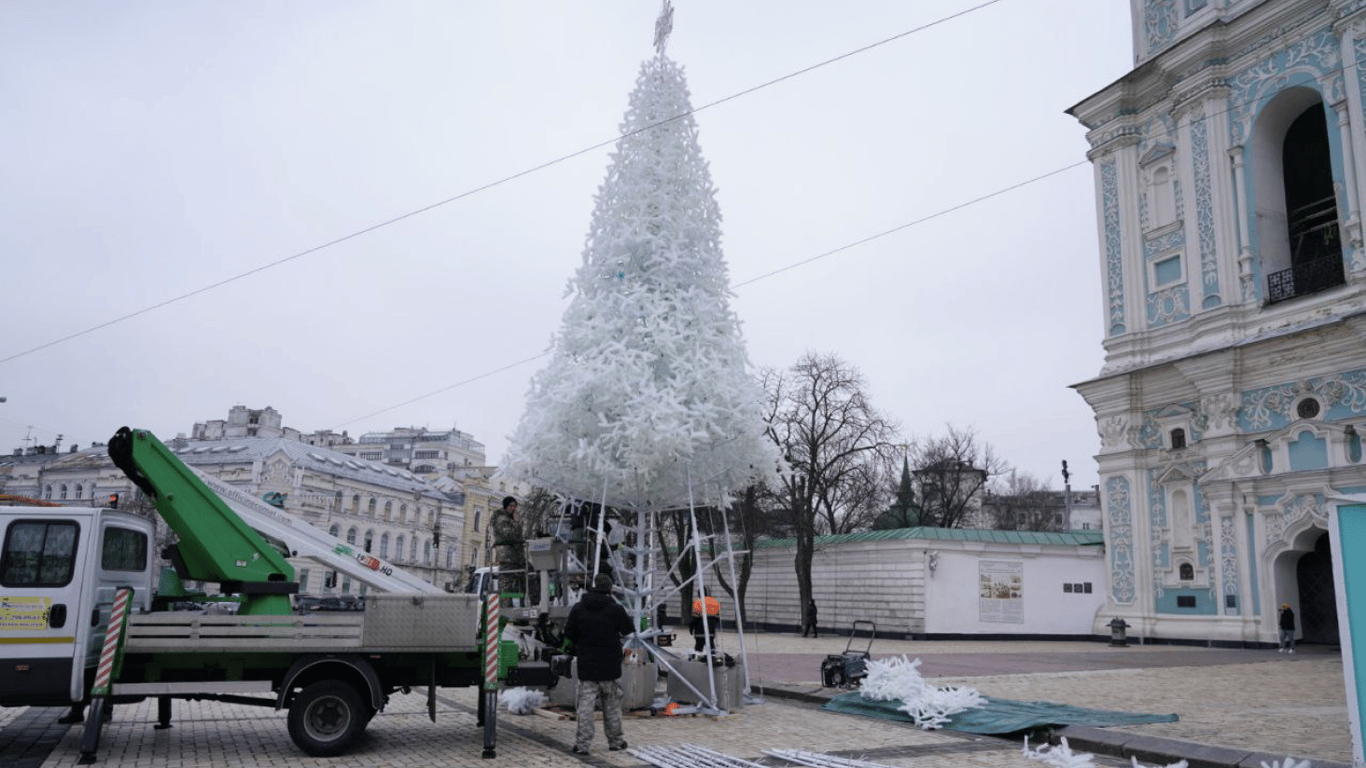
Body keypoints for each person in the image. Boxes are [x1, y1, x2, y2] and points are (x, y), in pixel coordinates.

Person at [564, 572, 634, 755]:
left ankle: (583, 745)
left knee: (585, 708)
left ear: (593, 585)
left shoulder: (579, 608)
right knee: (611, 706)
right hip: (610, 667)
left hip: (587, 666)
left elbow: (569, 634)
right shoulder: (616, 609)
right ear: (610, 588)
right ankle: (616, 741)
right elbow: (628, 630)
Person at [491, 496, 525, 599]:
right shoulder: (501, 519)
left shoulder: (511, 518)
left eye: (515, 506)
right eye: (510, 505)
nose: (513, 508)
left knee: (529, 575)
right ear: (506, 506)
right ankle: (505, 605)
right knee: (506, 583)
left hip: (517, 556)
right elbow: (509, 535)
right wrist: (517, 523)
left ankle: (528, 600)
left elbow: (518, 535)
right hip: (507, 556)